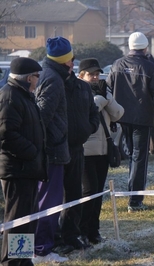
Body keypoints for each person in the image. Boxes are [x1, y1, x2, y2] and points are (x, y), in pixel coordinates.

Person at [107, 32, 154, 212]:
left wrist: (111, 117)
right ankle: (135, 200)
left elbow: (108, 89)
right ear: (146, 48)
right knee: (139, 158)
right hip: (143, 119)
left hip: (122, 117)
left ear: (130, 47)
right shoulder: (149, 67)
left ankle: (132, 196)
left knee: (131, 155)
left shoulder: (117, 65)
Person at [0, 57, 49, 266]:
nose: (38, 80)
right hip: (17, 170)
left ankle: (23, 260)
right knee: (16, 221)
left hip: (27, 169)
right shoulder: (10, 97)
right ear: (29, 77)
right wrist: (32, 152)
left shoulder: (23, 95)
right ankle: (10, 263)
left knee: (27, 220)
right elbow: (5, 134)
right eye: (37, 76)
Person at [33, 36, 73, 263]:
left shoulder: (46, 73)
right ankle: (42, 250)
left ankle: (39, 247)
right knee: (48, 203)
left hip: (49, 150)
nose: (73, 64)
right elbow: (42, 117)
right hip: (52, 151)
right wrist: (53, 142)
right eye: (70, 59)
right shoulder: (53, 80)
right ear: (64, 61)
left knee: (44, 201)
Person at [54, 56, 100, 252]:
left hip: (76, 148)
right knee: (26, 210)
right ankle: (26, 253)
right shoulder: (51, 85)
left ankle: (70, 236)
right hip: (49, 153)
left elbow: (93, 113)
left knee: (74, 194)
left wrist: (87, 129)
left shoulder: (82, 88)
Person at [78, 58, 124, 244]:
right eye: (91, 74)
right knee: (88, 193)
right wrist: (101, 99)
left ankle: (94, 232)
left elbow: (119, 113)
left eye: (97, 74)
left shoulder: (104, 91)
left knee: (98, 193)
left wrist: (109, 98)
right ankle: (82, 231)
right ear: (81, 76)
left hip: (103, 151)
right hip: (86, 151)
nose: (95, 78)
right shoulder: (79, 92)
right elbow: (86, 113)